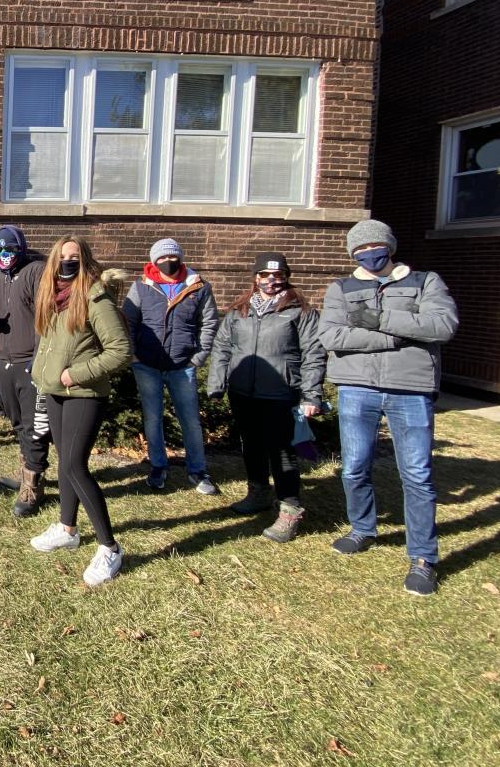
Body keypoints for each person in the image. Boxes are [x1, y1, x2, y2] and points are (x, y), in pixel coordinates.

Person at [318, 220, 459, 596]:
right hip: (356, 387)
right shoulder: (341, 288)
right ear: (352, 253)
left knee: (416, 474)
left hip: (410, 389)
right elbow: (331, 335)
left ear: (390, 246)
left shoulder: (425, 282)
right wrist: (396, 338)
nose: (370, 253)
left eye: (376, 246)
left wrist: (382, 320)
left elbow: (442, 326)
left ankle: (423, 557)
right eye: (361, 249)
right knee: (353, 467)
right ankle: (362, 528)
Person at [28, 238, 133, 587]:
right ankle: (67, 528)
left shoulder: (94, 296)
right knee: (64, 460)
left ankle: (110, 547)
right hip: (55, 391)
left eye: (74, 257)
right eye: (62, 257)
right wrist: (44, 375)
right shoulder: (54, 294)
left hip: (83, 393)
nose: (67, 262)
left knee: (75, 465)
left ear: (85, 260)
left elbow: (120, 350)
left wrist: (75, 374)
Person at [207, 252, 327, 543]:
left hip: (281, 393)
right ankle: (258, 492)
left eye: (278, 275)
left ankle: (290, 510)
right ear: (255, 277)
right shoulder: (239, 310)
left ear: (287, 277)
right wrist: (217, 383)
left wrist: (311, 395)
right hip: (242, 392)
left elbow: (314, 354)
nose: (271, 280)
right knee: (251, 445)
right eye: (265, 275)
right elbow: (222, 347)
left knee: (281, 451)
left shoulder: (300, 312)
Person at [121, 238, 220, 495]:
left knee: (190, 420)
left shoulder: (198, 287)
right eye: (162, 258)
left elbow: (209, 323)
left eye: (172, 256)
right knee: (153, 418)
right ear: (154, 261)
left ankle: (198, 470)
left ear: (180, 258)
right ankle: (158, 466)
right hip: (147, 364)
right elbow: (127, 322)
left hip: (182, 365)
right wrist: (133, 356)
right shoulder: (141, 287)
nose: (168, 261)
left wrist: (198, 357)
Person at [0, 225, 52, 517]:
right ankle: (26, 473)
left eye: (9, 248)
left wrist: (40, 358)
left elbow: (47, 316)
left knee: (35, 426)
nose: (4, 254)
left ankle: (33, 486)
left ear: (20, 248)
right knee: (18, 422)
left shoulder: (36, 272)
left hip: (30, 363)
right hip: (4, 361)